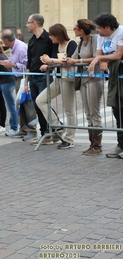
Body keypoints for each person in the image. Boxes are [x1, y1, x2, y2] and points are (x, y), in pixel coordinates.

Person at [36, 23, 78, 148]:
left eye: (52, 35)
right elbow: (55, 61)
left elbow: (69, 60)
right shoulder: (56, 45)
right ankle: (57, 125)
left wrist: (51, 61)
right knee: (40, 100)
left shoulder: (72, 44)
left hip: (68, 80)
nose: (50, 37)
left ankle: (69, 138)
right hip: (58, 79)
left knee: (69, 110)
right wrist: (47, 64)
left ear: (58, 35)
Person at [88, 13, 123, 159]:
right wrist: (102, 60)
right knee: (118, 112)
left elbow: (119, 55)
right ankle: (120, 145)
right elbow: (99, 53)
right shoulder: (102, 36)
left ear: (108, 28)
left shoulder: (121, 32)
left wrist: (101, 58)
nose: (97, 30)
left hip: (121, 74)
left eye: (100, 28)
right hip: (114, 78)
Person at [67, 19, 103, 156]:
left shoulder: (95, 40)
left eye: (75, 28)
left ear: (81, 30)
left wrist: (77, 61)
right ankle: (92, 144)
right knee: (88, 113)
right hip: (83, 79)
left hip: (94, 79)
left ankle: (97, 145)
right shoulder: (81, 42)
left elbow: (96, 57)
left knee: (94, 112)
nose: (73, 29)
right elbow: (73, 57)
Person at [24, 13, 55, 145]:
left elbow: (54, 57)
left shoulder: (48, 38)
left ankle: (55, 129)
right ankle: (45, 134)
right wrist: (26, 81)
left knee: (44, 105)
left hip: (44, 77)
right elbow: (29, 63)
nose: (26, 25)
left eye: (28, 22)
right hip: (33, 78)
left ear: (34, 24)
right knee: (38, 106)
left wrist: (48, 66)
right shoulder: (31, 41)